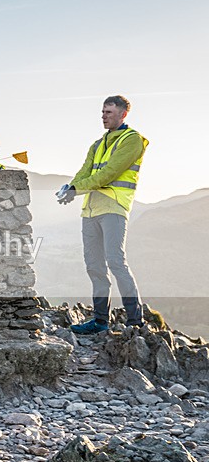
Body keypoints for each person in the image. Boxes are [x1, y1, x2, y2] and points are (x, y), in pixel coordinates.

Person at [57, 95, 148, 333]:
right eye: (102, 112)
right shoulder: (97, 144)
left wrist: (77, 189)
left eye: (108, 112)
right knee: (94, 266)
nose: (103, 116)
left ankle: (135, 320)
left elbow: (109, 173)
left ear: (123, 114)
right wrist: (70, 189)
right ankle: (99, 321)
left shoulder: (132, 140)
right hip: (90, 210)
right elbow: (84, 171)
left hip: (114, 208)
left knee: (116, 262)